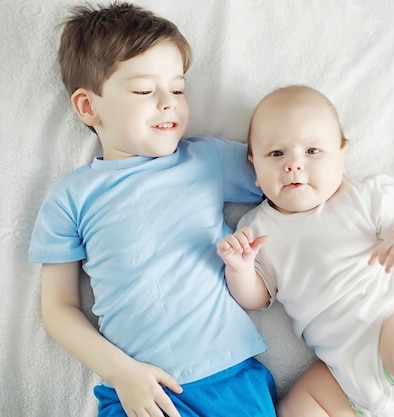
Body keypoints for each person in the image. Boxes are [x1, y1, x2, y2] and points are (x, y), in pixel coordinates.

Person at [28, 3, 276, 417]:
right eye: (145, 90)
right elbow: (58, 308)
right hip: (138, 390)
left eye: (178, 89)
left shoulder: (207, 160)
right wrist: (122, 372)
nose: (169, 103)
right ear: (89, 106)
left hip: (230, 379)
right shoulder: (70, 197)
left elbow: (285, 179)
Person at [216, 85, 394, 417]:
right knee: (295, 407)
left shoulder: (363, 196)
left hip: (390, 322)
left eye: (313, 151)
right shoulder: (256, 229)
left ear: (341, 155)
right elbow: (257, 299)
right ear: (255, 168)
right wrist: (240, 268)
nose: (294, 165)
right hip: (339, 369)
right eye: (276, 154)